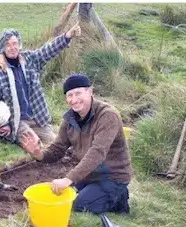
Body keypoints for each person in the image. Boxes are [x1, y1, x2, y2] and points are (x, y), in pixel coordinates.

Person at [21, 74, 131, 214]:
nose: (74, 100)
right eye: (69, 95)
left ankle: (118, 195)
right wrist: (38, 154)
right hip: (89, 175)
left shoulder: (108, 116)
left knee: (77, 206)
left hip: (112, 176)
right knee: (63, 196)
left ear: (90, 92)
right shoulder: (69, 119)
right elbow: (58, 149)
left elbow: (97, 152)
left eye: (78, 93)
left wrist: (68, 179)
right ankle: (108, 195)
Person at [0, 23, 81, 150]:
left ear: (19, 45)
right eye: (8, 45)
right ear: (3, 48)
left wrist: (67, 36)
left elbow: (47, 51)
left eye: (14, 43)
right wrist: (3, 124)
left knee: (56, 143)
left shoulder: (30, 59)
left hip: (37, 118)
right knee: (36, 145)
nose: (12, 48)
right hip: (16, 121)